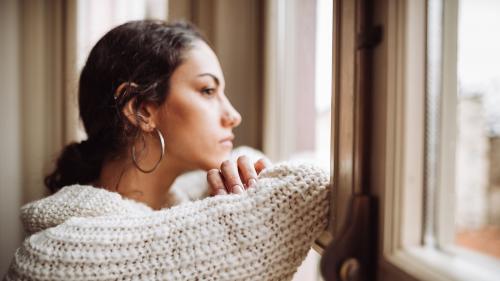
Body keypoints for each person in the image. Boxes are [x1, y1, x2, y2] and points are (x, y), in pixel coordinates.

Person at [4, 20, 330, 281]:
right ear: (141, 110)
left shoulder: (176, 212)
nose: (233, 115)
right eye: (207, 90)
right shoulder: (57, 256)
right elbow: (307, 186)